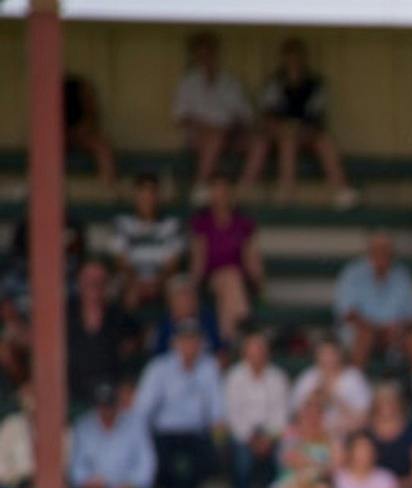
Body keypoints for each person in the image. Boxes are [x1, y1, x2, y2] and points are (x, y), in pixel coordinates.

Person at [239, 38, 358, 209]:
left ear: (303, 59)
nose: (293, 62)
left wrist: (299, 129)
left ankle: (342, 190)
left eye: (297, 57)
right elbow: (268, 115)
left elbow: (317, 117)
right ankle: (282, 191)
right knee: (285, 140)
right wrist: (283, 128)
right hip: (279, 133)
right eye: (290, 57)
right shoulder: (275, 82)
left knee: (325, 141)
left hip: (305, 133)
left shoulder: (315, 83)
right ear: (284, 59)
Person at [136, 320, 225, 488]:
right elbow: (143, 408)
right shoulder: (159, 368)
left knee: (210, 459)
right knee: (158, 461)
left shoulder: (209, 367)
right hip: (165, 432)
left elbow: (217, 409)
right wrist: (142, 436)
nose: (189, 345)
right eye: (185, 340)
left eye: (194, 340)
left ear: (201, 343)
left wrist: (218, 428)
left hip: (196, 433)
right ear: (175, 343)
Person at [68, 383, 157, 488]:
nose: (107, 411)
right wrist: (89, 482)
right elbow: (77, 468)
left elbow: (146, 465)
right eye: (102, 406)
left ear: (117, 405)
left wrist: (129, 486)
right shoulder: (84, 426)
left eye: (110, 406)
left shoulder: (135, 425)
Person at [172, 32, 252, 197]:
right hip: (198, 135)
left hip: (229, 134)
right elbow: (180, 117)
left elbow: (245, 115)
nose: (205, 58)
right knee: (214, 138)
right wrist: (204, 127)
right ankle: (202, 186)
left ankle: (239, 190)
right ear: (195, 56)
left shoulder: (230, 82)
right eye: (201, 54)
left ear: (215, 54)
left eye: (209, 53)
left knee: (246, 140)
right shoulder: (188, 82)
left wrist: (231, 128)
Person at [188, 174, 262, 341]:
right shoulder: (202, 222)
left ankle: (229, 339)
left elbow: (251, 256)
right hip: (211, 279)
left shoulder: (243, 222)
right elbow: (198, 259)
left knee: (230, 285)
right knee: (229, 277)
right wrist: (193, 286)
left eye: (223, 190)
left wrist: (258, 282)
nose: (220, 195)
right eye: (216, 191)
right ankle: (245, 328)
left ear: (230, 193)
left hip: (238, 280)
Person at [223, 327, 289, 488]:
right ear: (244, 354)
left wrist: (268, 439)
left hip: (271, 434)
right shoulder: (234, 377)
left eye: (260, 351)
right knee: (242, 458)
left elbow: (281, 416)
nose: (256, 356)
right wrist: (251, 439)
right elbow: (233, 415)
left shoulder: (278, 377)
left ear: (267, 353)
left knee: (283, 453)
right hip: (244, 435)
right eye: (252, 352)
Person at [333, 231, 412, 367]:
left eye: (386, 250)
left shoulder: (402, 275)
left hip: (393, 334)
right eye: (378, 250)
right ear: (370, 252)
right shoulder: (353, 273)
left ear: (392, 253)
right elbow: (348, 313)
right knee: (365, 335)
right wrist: (376, 329)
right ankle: (355, 377)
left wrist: (396, 327)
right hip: (361, 332)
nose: (382, 254)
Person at [66, 260, 141, 410]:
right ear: (80, 282)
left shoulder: (119, 315)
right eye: (89, 280)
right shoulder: (64, 314)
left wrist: (126, 385)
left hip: (110, 394)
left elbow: (131, 351)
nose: (94, 285)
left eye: (99, 280)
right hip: (70, 393)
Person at [111, 174, 186, 311]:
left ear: (158, 197)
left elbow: (173, 264)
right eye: (143, 195)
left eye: (151, 194)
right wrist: (135, 282)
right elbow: (121, 261)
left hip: (163, 279)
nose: (147, 200)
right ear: (135, 197)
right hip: (132, 279)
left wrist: (157, 282)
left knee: (180, 289)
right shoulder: (123, 223)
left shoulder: (172, 224)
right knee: (118, 287)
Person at [291, 337, 372, 440]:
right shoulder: (309, 377)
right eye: (323, 354)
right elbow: (295, 414)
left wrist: (333, 398)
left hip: (348, 437)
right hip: (312, 436)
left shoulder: (354, 378)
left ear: (340, 355)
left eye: (331, 354)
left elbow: (364, 419)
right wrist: (315, 397)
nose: (327, 359)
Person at [63, 74, 119, 190]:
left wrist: (81, 131)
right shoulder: (53, 97)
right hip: (60, 135)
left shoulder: (83, 93)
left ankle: (107, 189)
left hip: (80, 134)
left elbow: (90, 122)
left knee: (103, 148)